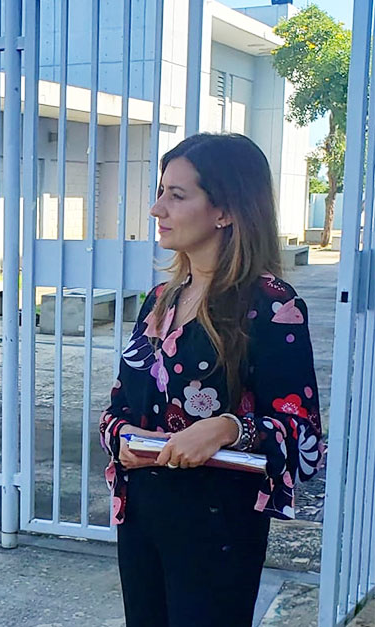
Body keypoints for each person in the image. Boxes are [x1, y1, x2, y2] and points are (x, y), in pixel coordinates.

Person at [98, 133, 325, 627]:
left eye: (177, 195)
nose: (157, 208)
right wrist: (124, 441)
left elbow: (303, 436)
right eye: (161, 191)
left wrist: (227, 427)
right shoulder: (159, 301)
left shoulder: (271, 306)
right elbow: (115, 412)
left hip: (218, 527)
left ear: (225, 209)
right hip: (142, 517)